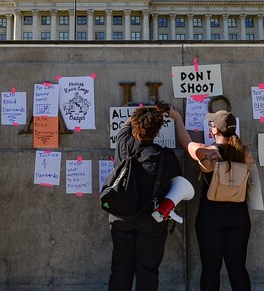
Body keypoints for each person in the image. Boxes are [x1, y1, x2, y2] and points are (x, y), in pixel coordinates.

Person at [108, 104, 182, 291]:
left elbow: (126, 125)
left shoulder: (123, 142)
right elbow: (177, 183)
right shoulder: (165, 155)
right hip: (151, 220)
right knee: (148, 271)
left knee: (120, 269)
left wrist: (148, 109)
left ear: (134, 124)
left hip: (121, 216)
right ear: (157, 131)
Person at [182, 109, 253, 291]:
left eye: (212, 124)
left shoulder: (207, 154)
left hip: (210, 218)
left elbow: (186, 143)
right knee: (238, 269)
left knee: (211, 270)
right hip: (239, 217)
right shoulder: (245, 154)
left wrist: (176, 118)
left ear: (214, 130)